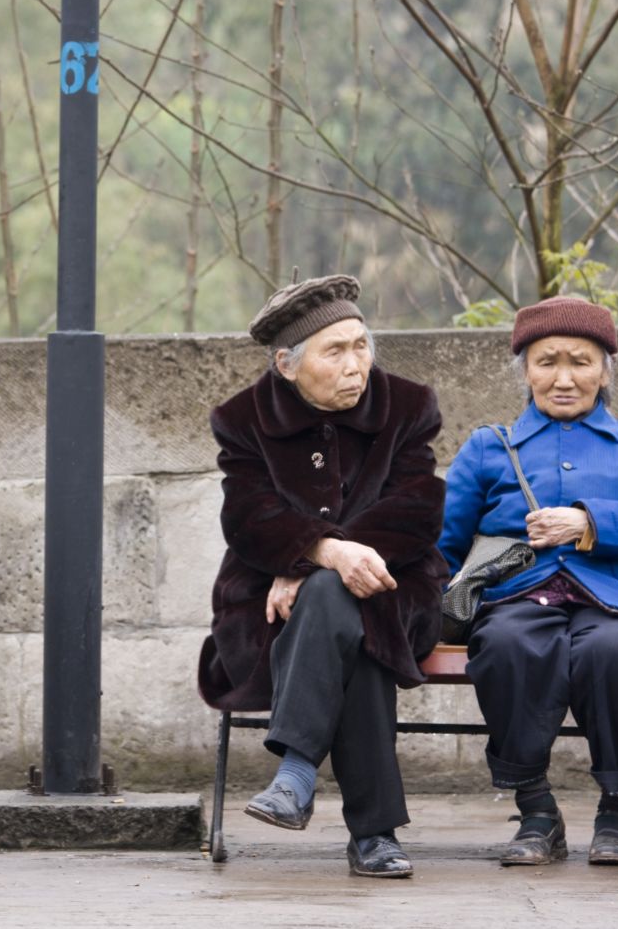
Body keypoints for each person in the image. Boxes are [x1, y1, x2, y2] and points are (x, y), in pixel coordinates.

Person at [197, 274, 447, 879]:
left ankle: (295, 773)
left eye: (361, 345)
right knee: (348, 628)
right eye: (334, 351)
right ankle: (375, 837)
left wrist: (311, 560)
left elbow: (418, 509)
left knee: (342, 603)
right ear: (286, 364)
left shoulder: (409, 405)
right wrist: (322, 556)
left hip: (397, 589)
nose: (355, 364)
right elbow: (249, 516)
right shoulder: (242, 419)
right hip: (265, 605)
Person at [440, 297, 618, 867]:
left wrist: (589, 521)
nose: (565, 378)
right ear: (525, 370)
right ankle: (536, 811)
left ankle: (617, 811)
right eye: (547, 361)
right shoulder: (488, 446)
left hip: (616, 598)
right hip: (516, 594)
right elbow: (447, 542)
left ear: (606, 371)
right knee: (501, 644)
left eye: (582, 362)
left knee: (605, 651)